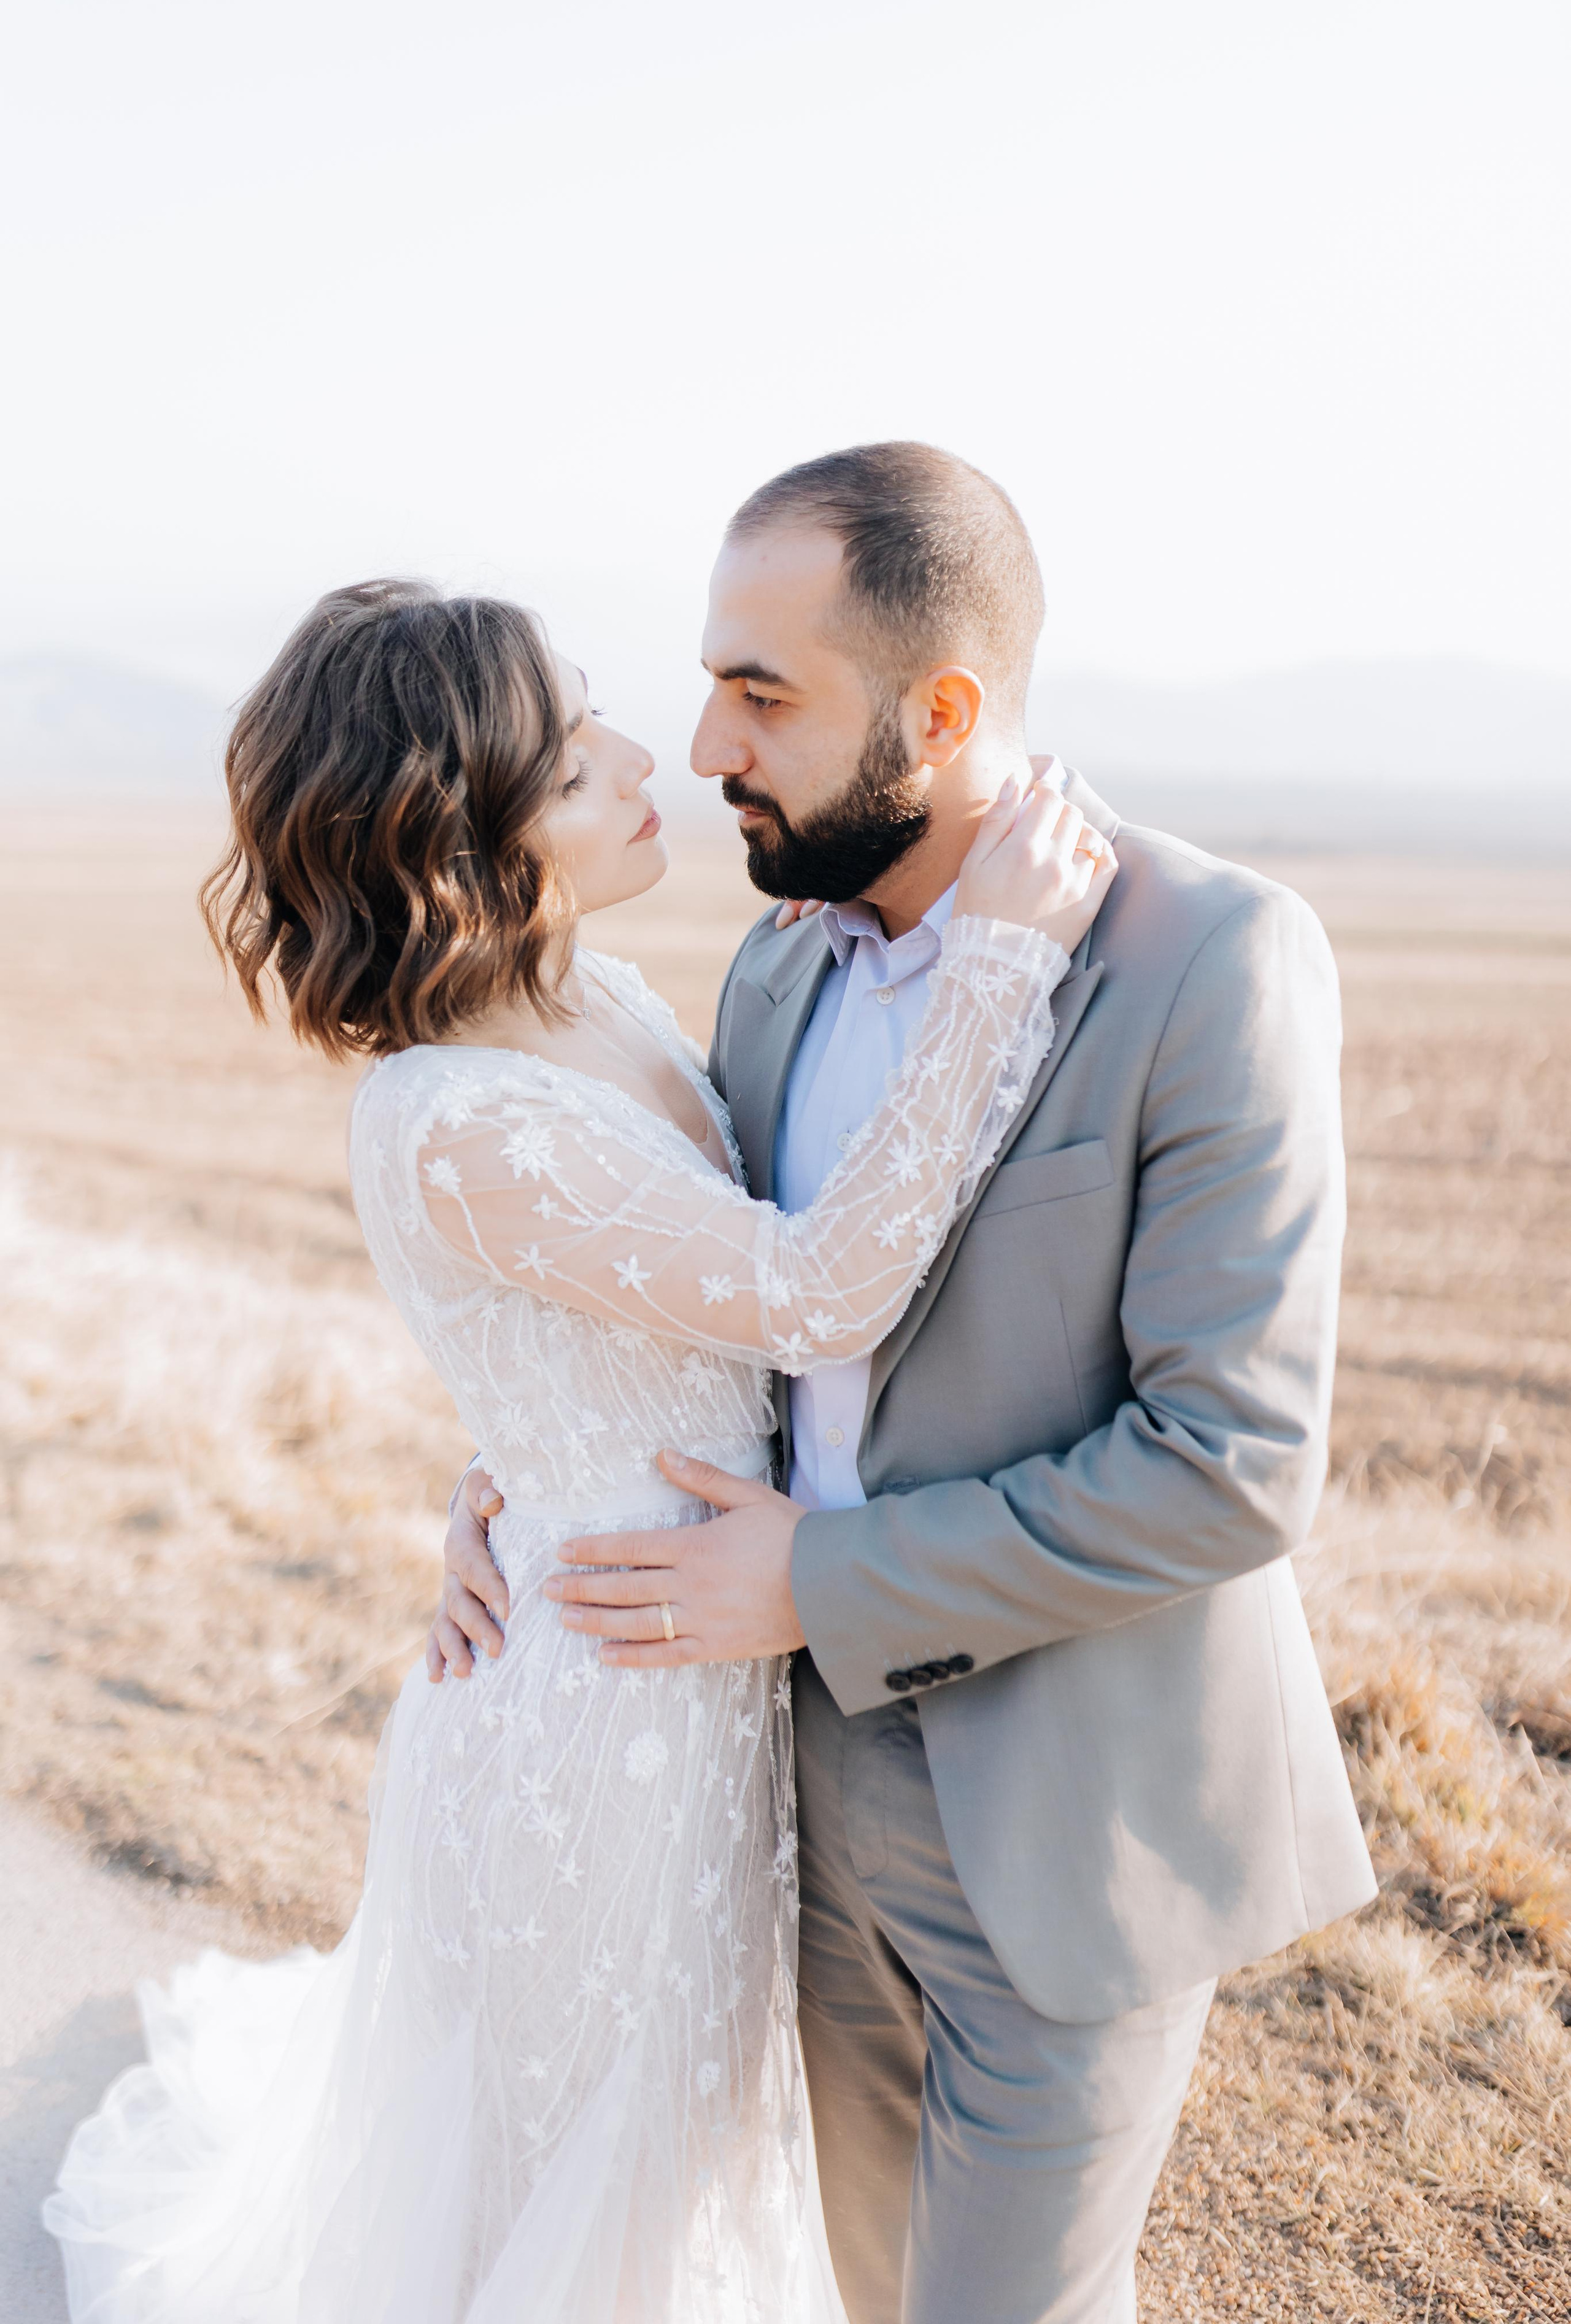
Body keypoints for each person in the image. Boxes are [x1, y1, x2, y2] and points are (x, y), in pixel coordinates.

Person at [43, 574, 1114, 2322]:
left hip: (676, 1652)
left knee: (671, 2146)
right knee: (587, 2180)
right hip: (593, 1716)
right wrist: (1005, 953)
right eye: (565, 763)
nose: (643, 762)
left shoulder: (596, 993)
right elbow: (813, 1288)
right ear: (449, 844)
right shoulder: (446, 1114)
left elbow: (604, 1332)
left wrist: (506, 1473)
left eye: (597, 716)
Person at [434, 442, 1378, 2324]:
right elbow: (711, 1316)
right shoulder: (775, 975)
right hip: (780, 1799)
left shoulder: (1213, 961)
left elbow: (1233, 1463)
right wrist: (509, 1478)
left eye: (762, 695)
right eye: (710, 682)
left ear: (940, 717)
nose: (706, 745)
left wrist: (823, 1583)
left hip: (1078, 1810)